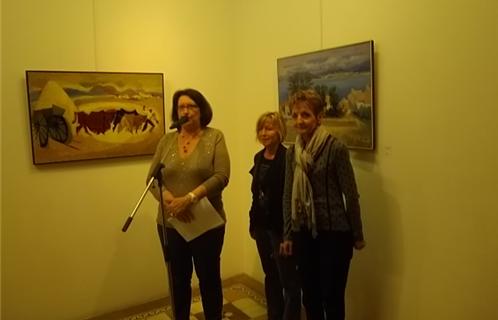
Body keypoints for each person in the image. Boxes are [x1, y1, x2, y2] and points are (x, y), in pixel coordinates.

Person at [280, 89, 366, 320]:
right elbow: (288, 194)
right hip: (303, 232)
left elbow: (351, 194)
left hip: (335, 235)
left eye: (306, 115)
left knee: (332, 297)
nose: (299, 120)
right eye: (295, 115)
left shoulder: (335, 148)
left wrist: (357, 234)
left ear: (319, 117)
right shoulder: (293, 152)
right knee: (310, 296)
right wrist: (288, 235)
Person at [147, 88, 230, 320]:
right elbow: (152, 180)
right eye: (181, 107)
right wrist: (170, 201)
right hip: (171, 224)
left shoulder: (215, 137)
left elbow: (222, 176)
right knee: (178, 281)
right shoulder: (166, 140)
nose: (185, 110)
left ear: (201, 110)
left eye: (191, 106)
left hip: (207, 224)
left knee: (209, 279)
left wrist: (190, 199)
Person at [249, 112, 301, 320]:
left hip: (280, 229)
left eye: (269, 128)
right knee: (270, 276)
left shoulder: (288, 157)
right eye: (261, 129)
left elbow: (290, 198)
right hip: (262, 227)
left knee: (289, 281)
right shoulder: (259, 157)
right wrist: (252, 223)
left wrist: (288, 234)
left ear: (279, 131)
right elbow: (256, 193)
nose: (264, 133)